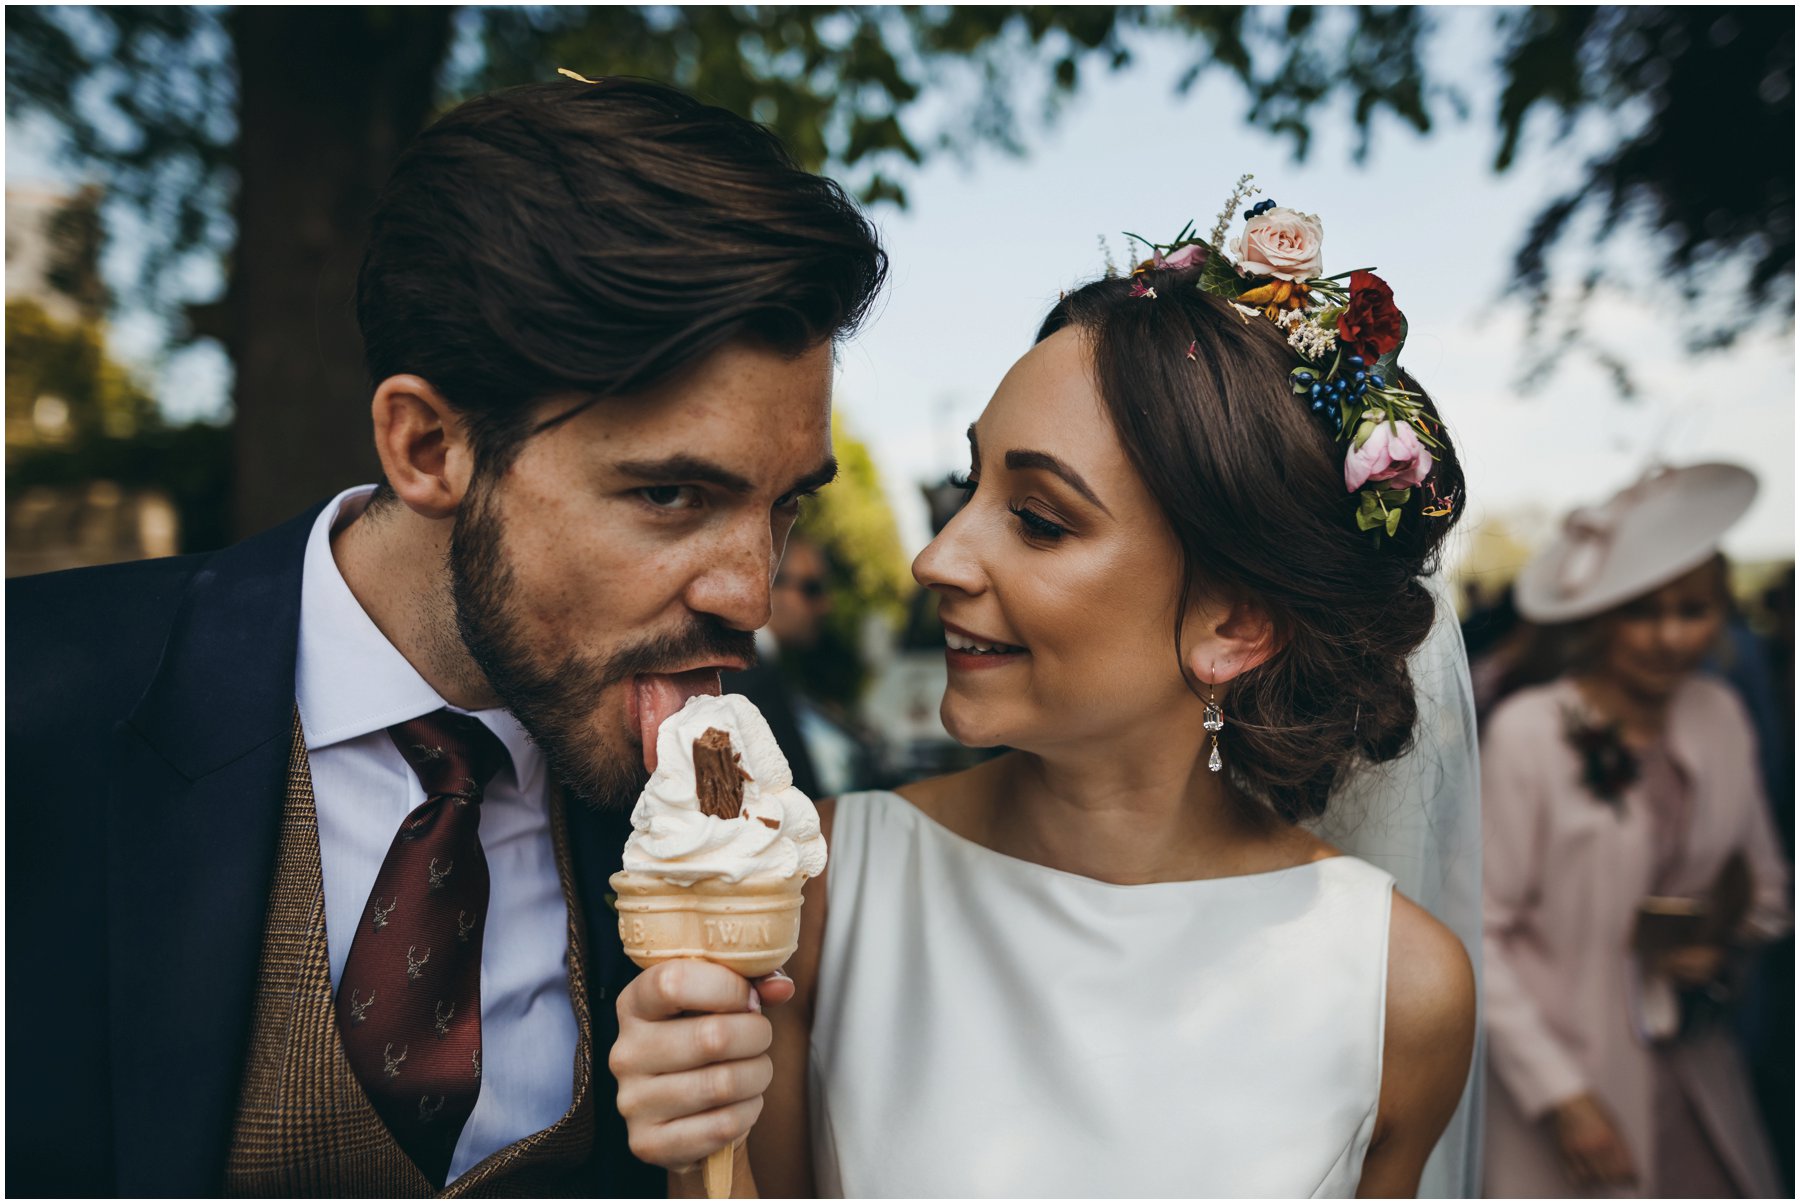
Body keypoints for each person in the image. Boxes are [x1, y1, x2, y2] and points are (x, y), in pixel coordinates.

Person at [5, 76, 885, 1196]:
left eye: (785, 505)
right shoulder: (30, 706)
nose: (751, 595)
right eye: (670, 495)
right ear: (428, 447)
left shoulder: (728, 810)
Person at [609, 196, 1481, 1195]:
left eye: (1035, 518)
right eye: (966, 485)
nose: (936, 558)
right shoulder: (820, 885)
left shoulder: (1399, 992)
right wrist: (696, 1144)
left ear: (1233, 623)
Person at [1483, 463, 1790, 1198]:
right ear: (1600, 616)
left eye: (1693, 611)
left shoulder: (1718, 714)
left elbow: (1769, 887)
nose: (1669, 639)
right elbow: (1479, 931)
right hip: (1569, 1070)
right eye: (1643, 613)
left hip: (1695, 1065)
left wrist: (1717, 945)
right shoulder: (1531, 733)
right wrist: (1561, 1095)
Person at [724, 535, 876, 799]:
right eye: (812, 588)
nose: (826, 605)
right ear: (766, 585)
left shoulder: (763, 670)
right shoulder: (744, 678)